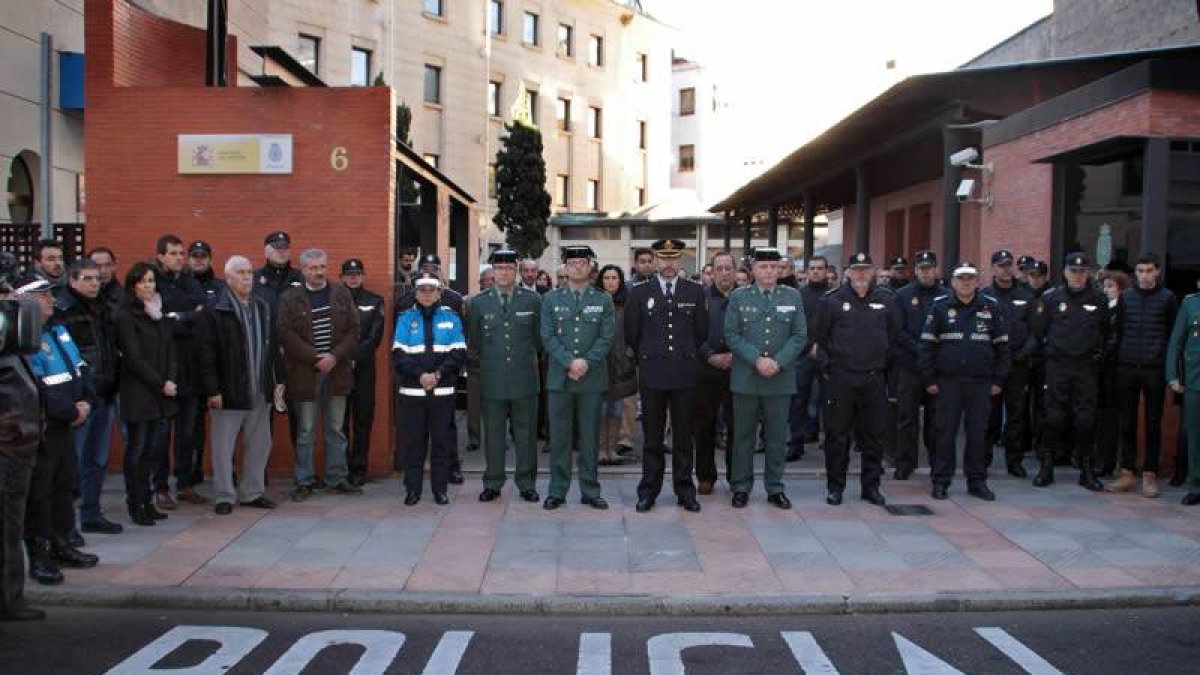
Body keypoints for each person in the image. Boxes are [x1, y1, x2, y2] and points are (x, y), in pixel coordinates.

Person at [18, 277, 98, 585]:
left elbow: (81, 369)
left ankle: (63, 544)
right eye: (44, 295)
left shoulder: (58, 330)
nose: (52, 300)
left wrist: (87, 401)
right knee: (41, 493)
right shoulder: (25, 338)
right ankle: (40, 556)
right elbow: (36, 387)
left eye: (51, 294)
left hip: (67, 423)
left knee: (65, 487)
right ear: (25, 301)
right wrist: (70, 410)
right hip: (45, 427)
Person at [625, 239, 706, 513]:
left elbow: (701, 332)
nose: (669, 264)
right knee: (652, 437)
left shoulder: (694, 291)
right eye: (663, 258)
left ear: (680, 260)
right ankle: (648, 490)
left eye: (674, 258)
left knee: (683, 436)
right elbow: (632, 333)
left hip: (684, 373)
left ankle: (685, 490)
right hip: (653, 373)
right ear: (655, 260)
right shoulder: (639, 292)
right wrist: (649, 356)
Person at [723, 247, 807, 509]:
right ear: (753, 270)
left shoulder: (792, 296)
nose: (769, 271)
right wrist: (757, 359)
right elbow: (731, 334)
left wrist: (778, 362)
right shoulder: (739, 297)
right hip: (747, 377)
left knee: (776, 437)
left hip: (779, 379)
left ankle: (775, 487)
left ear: (780, 269)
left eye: (773, 267)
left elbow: (800, 335)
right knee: (743, 437)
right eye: (763, 267)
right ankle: (741, 486)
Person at [811, 252, 898, 506]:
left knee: (874, 436)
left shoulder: (887, 301)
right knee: (837, 436)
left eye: (865, 269)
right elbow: (820, 339)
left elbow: (894, 338)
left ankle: (871, 487)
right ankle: (835, 487)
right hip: (841, 379)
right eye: (856, 270)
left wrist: (882, 367)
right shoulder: (832, 301)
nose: (861, 275)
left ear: (873, 272)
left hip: (873, 379)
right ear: (847, 272)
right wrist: (830, 369)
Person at [197, 256, 282, 515]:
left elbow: (272, 347)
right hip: (229, 389)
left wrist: (279, 380)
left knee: (260, 443)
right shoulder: (215, 310)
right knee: (223, 446)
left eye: (249, 273)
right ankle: (224, 495)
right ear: (229, 277)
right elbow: (206, 354)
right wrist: (213, 390)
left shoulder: (262, 306)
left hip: (259, 387)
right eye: (241, 273)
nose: (247, 278)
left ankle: (252, 492)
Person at [277, 248, 362, 501]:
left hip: (337, 372)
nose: (319, 272)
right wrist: (315, 357)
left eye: (322, 267)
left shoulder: (341, 293)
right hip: (305, 373)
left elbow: (354, 329)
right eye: (313, 268)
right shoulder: (290, 298)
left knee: (336, 428)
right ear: (303, 270)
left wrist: (334, 356)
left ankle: (337, 477)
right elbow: (285, 333)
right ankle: (304, 480)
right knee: (306, 431)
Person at [920, 262, 1010, 500]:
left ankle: (977, 481)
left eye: (970, 278)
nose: (966, 283)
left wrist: (998, 379)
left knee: (978, 434)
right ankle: (941, 481)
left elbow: (1003, 347)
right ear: (953, 282)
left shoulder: (991, 307)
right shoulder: (940, 307)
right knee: (945, 433)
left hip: (981, 383)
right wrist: (929, 378)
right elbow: (927, 346)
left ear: (977, 282)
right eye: (961, 279)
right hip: (947, 382)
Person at [540, 245, 615, 510]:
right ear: (565, 268)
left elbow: (607, 338)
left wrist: (586, 361)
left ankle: (590, 489)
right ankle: (557, 490)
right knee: (559, 437)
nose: (578, 267)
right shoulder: (551, 299)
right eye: (572, 263)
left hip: (591, 378)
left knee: (589, 436)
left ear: (591, 266)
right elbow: (547, 336)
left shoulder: (603, 299)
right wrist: (569, 361)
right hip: (560, 378)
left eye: (583, 262)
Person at [1030, 252, 1112, 490]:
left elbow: (1105, 331)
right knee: (1054, 418)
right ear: (1065, 272)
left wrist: (1099, 353)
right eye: (1073, 271)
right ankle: (1047, 467)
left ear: (1088, 274)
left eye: (1082, 271)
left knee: (1085, 420)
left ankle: (1086, 470)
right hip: (1058, 365)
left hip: (1085, 367)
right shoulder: (1052, 298)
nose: (1077, 275)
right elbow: (1039, 329)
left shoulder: (1098, 299)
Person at [469, 250, 543, 502]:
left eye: (509, 268)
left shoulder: (532, 301)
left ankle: (526, 483)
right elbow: (475, 342)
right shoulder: (478, 303)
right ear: (492, 271)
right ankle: (492, 481)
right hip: (492, 379)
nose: (504, 273)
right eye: (499, 268)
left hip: (524, 379)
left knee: (526, 434)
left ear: (517, 271)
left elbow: (539, 339)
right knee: (494, 433)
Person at [55, 260, 123, 535]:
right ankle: (66, 525)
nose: (95, 283)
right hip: (80, 400)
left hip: (104, 395)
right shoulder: (64, 312)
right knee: (72, 464)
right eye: (88, 278)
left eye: (97, 279)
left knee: (97, 460)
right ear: (73, 280)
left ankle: (92, 514)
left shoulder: (103, 309)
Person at [0, 258, 47, 621]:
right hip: (9, 447)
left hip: (19, 444)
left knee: (12, 524)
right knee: (8, 525)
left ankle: (10, 596)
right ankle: (9, 599)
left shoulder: (9, 329)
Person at [114, 262, 178, 527]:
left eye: (151, 281)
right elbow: (133, 357)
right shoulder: (125, 315)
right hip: (139, 392)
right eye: (143, 282)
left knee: (152, 450)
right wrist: (159, 383)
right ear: (133, 285)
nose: (148, 286)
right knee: (137, 449)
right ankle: (135, 503)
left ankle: (147, 501)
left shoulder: (157, 313)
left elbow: (171, 349)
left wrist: (171, 378)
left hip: (161, 392)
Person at [393, 273, 466, 505]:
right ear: (415, 293)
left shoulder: (452, 318)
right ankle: (412, 490)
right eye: (422, 290)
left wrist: (437, 375)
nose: (426, 294)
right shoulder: (405, 318)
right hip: (413, 393)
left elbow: (458, 352)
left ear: (439, 292)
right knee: (414, 443)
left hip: (442, 392)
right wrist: (420, 375)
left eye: (431, 290)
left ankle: (440, 490)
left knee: (442, 444)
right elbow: (399, 354)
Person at [1109, 254, 1176, 497]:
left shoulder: (1168, 298)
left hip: (1154, 369)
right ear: (1135, 273)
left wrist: (1169, 369)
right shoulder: (1126, 298)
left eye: (1149, 270)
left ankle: (1150, 473)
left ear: (1157, 271)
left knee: (1153, 422)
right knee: (1127, 421)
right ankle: (1127, 472)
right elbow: (1118, 331)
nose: (1145, 275)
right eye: (1140, 270)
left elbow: (1171, 335)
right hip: (1127, 366)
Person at [151, 234, 207, 510]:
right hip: (164, 369)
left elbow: (201, 312)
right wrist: (185, 315)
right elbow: (159, 322)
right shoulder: (152, 281)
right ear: (160, 255)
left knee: (188, 432)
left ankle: (184, 483)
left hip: (190, 368)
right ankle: (160, 488)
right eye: (173, 253)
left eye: (181, 253)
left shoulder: (189, 280)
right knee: (162, 434)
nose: (179, 258)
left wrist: (179, 316)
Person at [982, 249, 1038, 478]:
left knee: (1016, 415)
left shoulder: (1026, 295)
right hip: (992, 365)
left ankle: (1014, 462)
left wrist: (1024, 354)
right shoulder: (983, 296)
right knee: (989, 416)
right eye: (1001, 265)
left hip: (1018, 364)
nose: (1005, 269)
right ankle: (983, 461)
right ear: (993, 268)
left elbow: (1037, 330)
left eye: (1008, 265)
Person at [890, 250, 945, 479]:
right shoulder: (902, 295)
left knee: (937, 420)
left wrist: (931, 354)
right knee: (906, 418)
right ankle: (905, 463)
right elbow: (897, 330)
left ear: (936, 269)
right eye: (921, 268)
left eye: (929, 267)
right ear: (916, 270)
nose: (925, 272)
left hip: (937, 368)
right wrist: (922, 351)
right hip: (909, 367)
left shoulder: (946, 296)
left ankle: (936, 463)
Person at [694, 252, 738, 494]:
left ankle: (736, 477)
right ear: (711, 272)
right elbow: (691, 332)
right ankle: (705, 476)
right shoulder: (700, 298)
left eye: (728, 269)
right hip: (705, 370)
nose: (723, 273)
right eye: (718, 269)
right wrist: (710, 355)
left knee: (737, 427)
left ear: (735, 271)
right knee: (704, 427)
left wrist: (735, 355)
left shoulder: (743, 297)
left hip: (737, 370)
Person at [340, 259, 385, 487]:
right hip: (339, 369)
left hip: (365, 369)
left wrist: (355, 358)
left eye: (357, 273)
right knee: (339, 422)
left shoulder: (375, 301)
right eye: (349, 273)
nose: (353, 277)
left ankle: (359, 469)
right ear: (342, 277)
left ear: (363, 275)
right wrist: (344, 358)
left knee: (362, 419)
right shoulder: (333, 300)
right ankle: (341, 469)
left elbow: (375, 336)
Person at [185, 240, 222, 486]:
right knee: (191, 426)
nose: (199, 259)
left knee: (223, 426)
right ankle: (191, 471)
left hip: (217, 366)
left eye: (203, 255)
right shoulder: (182, 287)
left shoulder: (220, 288)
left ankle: (223, 470)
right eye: (195, 255)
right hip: (189, 366)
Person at [593, 265, 636, 466]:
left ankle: (613, 450)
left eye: (615, 278)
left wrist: (629, 355)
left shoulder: (628, 304)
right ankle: (601, 449)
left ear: (620, 281)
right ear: (601, 280)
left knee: (617, 410)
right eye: (607, 277)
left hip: (622, 365)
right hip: (600, 364)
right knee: (602, 410)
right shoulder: (594, 302)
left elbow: (635, 332)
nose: (610, 281)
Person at [1167, 284, 1200, 506]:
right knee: (1195, 435)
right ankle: (1196, 484)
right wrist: (1173, 375)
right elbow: (1176, 343)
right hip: (1194, 380)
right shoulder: (1190, 304)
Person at [89, 247, 124, 316]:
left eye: (108, 265)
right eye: (97, 266)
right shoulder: (80, 296)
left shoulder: (125, 299)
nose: (103, 271)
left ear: (114, 266)